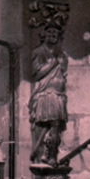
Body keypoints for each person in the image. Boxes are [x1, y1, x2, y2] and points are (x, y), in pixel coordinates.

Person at [29, 26, 67, 165]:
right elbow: (37, 74)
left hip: (58, 95)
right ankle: (43, 155)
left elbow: (63, 72)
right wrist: (53, 63)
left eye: (55, 32)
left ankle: (51, 156)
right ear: (43, 34)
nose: (52, 34)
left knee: (56, 127)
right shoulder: (38, 52)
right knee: (47, 126)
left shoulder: (61, 54)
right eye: (49, 31)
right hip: (45, 94)